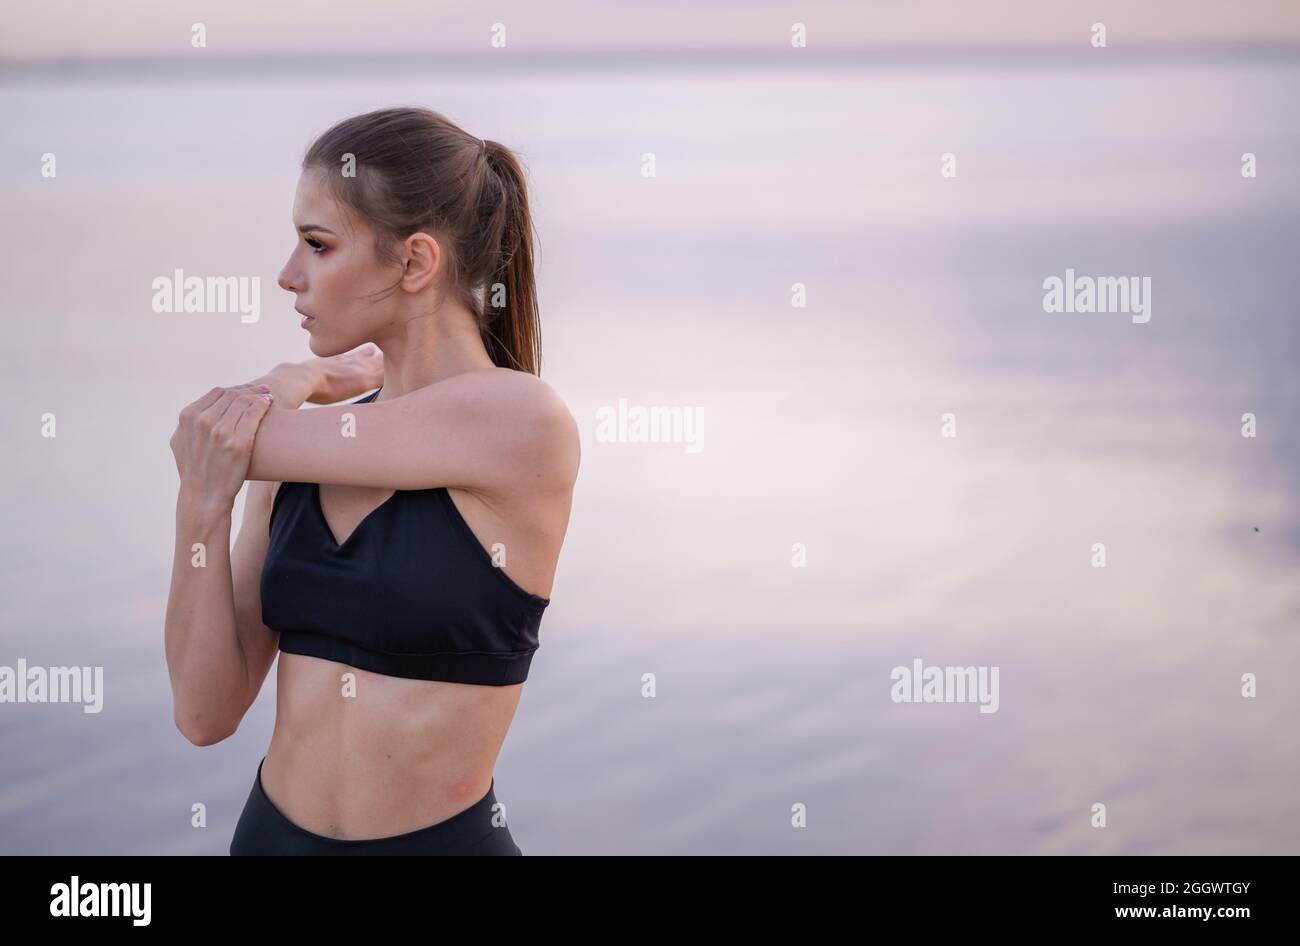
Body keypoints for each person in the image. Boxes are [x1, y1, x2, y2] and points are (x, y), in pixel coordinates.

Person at [164, 107, 580, 855]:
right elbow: (204, 715)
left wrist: (285, 382)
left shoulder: (521, 421)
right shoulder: (301, 453)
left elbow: (209, 429)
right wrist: (200, 509)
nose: (287, 275)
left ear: (415, 263)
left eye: (316, 245)